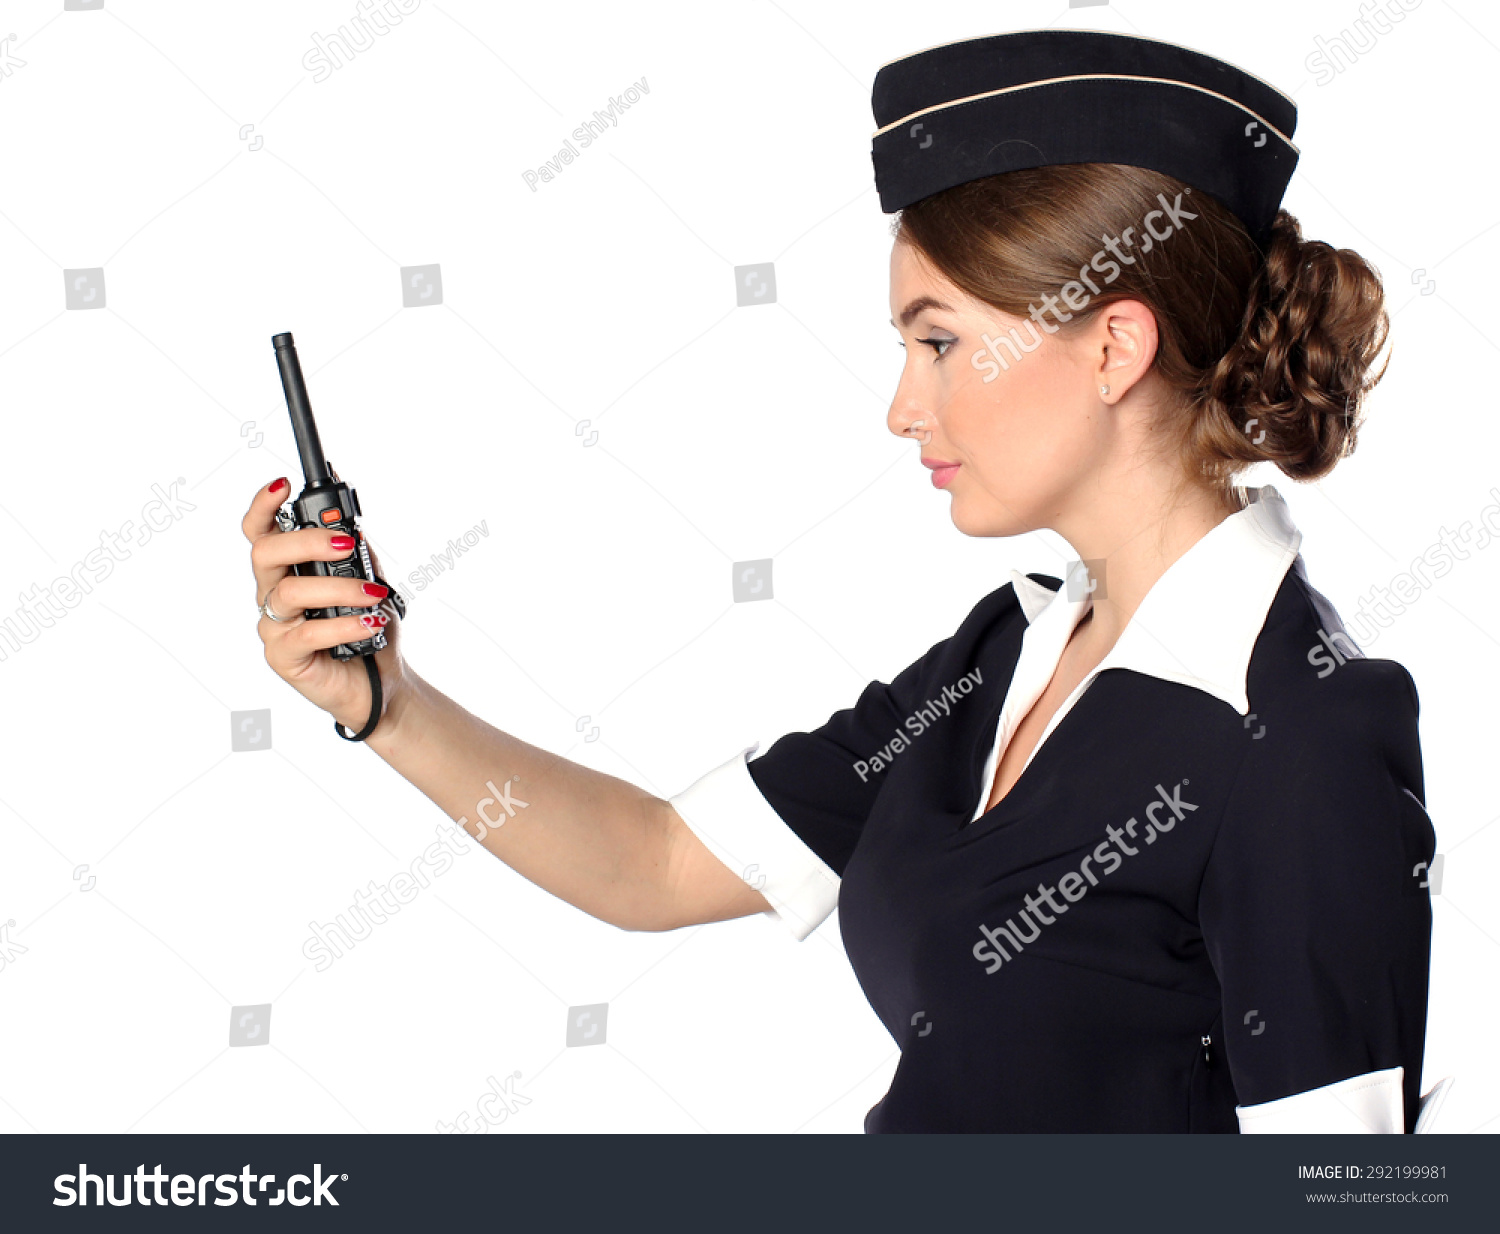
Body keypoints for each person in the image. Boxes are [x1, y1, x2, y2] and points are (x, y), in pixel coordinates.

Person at [243, 30, 1448, 1132]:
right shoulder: (1007, 656)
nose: (902, 406)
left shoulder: (1301, 729)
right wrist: (385, 701)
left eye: (939, 342)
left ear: (1112, 346)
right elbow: (657, 861)